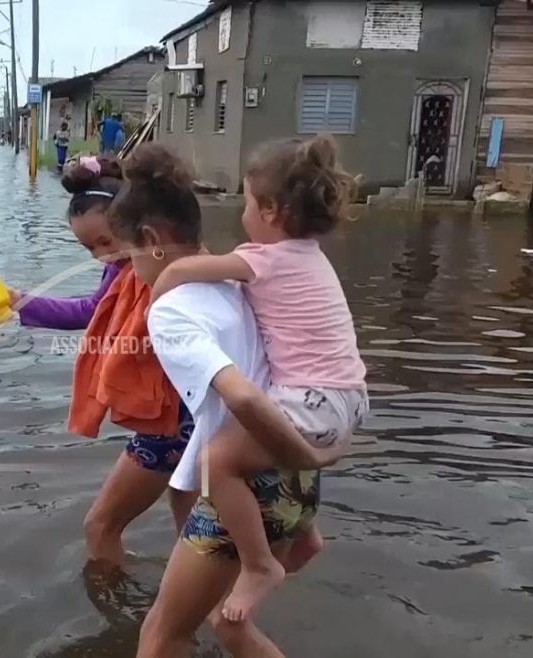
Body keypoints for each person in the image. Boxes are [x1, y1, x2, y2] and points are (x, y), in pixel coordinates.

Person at [104, 144, 342, 657]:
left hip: (257, 481)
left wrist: (305, 455)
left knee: (161, 635)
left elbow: (242, 394)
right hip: (295, 486)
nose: (129, 271)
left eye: (128, 257)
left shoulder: (171, 312)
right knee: (227, 624)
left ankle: (261, 565)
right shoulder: (238, 282)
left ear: (149, 240)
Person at [150, 135, 367, 622]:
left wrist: (160, 293)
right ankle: (305, 537)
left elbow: (188, 268)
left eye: (247, 203)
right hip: (349, 397)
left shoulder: (264, 259)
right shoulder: (312, 256)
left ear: (269, 210)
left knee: (217, 462)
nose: (243, 215)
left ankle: (258, 564)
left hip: (314, 401)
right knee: (258, 452)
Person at [8, 155, 194, 566]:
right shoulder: (132, 268)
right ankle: (201, 608)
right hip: (187, 419)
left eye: (106, 242)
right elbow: (95, 310)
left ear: (134, 226)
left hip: (169, 423)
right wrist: (20, 302)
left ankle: (126, 610)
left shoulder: (161, 272)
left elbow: (91, 313)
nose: (100, 256)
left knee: (100, 526)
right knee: (193, 531)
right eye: (89, 248)